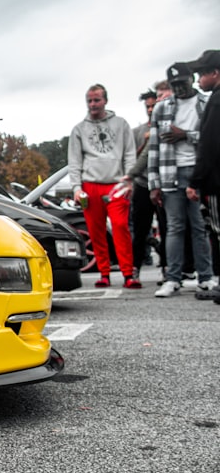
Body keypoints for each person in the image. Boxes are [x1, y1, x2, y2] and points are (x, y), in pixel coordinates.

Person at [149, 62, 216, 298]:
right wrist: (153, 184)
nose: (179, 88)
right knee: (174, 228)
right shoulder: (161, 108)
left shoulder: (205, 103)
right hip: (170, 174)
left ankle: (206, 277)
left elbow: (211, 139)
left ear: (191, 79)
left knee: (199, 227)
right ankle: (173, 278)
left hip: (198, 172)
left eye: (183, 83)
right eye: (174, 84)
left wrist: (185, 135)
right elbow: (154, 148)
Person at [67, 84, 139, 288]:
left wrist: (128, 180)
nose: (93, 104)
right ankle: (104, 273)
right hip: (90, 185)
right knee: (96, 231)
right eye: (89, 101)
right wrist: (76, 188)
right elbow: (74, 161)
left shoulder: (121, 124)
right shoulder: (79, 129)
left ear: (105, 100)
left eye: (96, 100)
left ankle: (128, 273)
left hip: (116, 184)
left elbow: (129, 154)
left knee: (120, 226)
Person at [184, 49, 220, 303]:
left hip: (217, 180)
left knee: (218, 230)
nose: (197, 80)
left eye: (200, 74)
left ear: (214, 73)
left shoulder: (216, 101)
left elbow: (208, 144)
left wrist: (196, 181)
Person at [126, 88, 159, 278]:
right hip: (142, 183)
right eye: (148, 106)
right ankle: (135, 267)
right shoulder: (138, 131)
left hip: (162, 183)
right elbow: (131, 158)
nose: (150, 109)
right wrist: (144, 143)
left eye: (153, 105)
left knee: (168, 227)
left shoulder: (165, 127)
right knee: (139, 229)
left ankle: (167, 268)